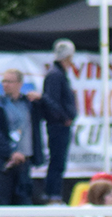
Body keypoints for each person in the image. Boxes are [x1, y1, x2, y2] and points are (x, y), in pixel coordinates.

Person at [0, 67, 43, 217]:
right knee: (3, 205)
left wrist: (41, 99)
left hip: (24, 163)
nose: (5, 84)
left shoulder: (29, 104)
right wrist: (11, 153)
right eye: (3, 81)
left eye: (9, 81)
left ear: (19, 83)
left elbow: (57, 114)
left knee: (19, 205)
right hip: (5, 163)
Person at [40, 39, 77, 205]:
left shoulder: (57, 74)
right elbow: (50, 101)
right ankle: (52, 195)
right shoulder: (55, 75)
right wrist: (64, 118)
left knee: (58, 160)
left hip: (60, 124)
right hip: (58, 125)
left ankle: (53, 194)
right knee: (57, 160)